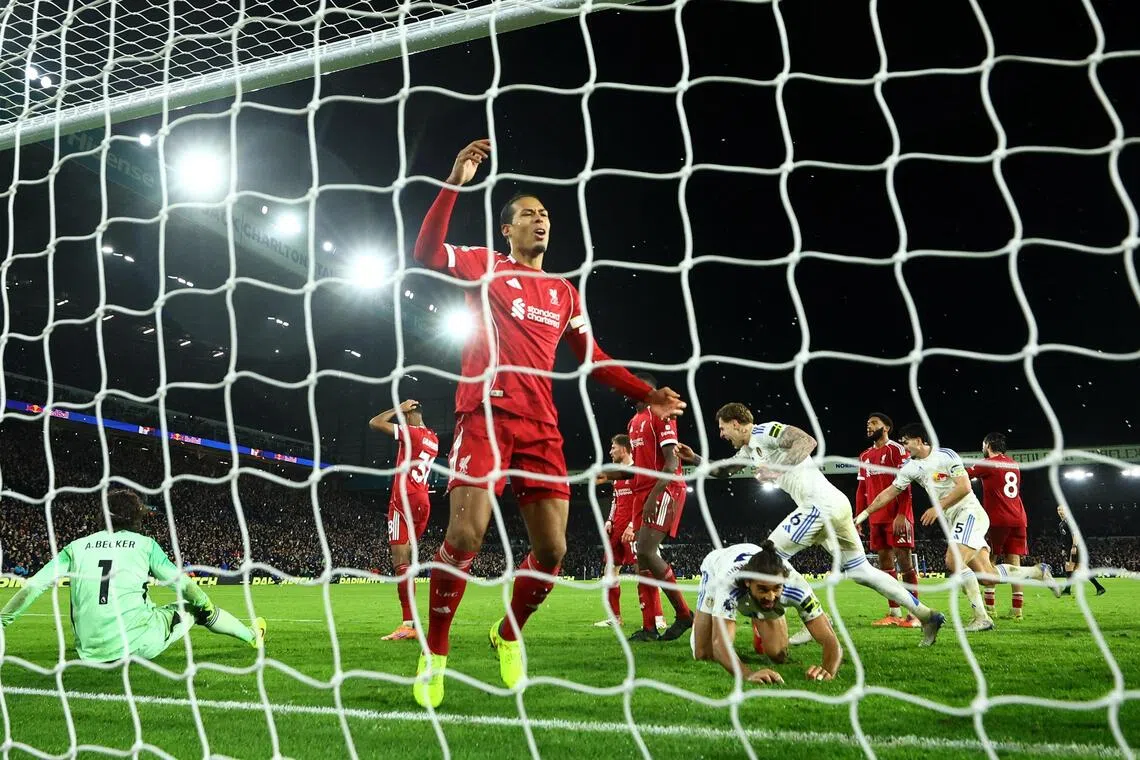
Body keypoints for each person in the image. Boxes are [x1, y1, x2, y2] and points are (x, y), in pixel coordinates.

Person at [410, 138, 686, 708]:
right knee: (465, 535)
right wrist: (454, 182)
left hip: (541, 426)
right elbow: (426, 254)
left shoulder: (564, 291)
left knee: (554, 551)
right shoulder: (486, 265)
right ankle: (435, 654)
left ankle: (508, 633)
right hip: (484, 414)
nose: (540, 223)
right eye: (529, 215)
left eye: (546, 217)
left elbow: (594, 356)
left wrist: (645, 393)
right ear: (507, 229)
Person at [678, 403, 946, 648]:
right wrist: (696, 460)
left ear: (736, 422)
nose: (723, 435)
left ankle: (813, 617)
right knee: (861, 571)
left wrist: (777, 469)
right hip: (832, 505)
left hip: (819, 506)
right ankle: (926, 615)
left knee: (768, 559)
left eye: (723, 428)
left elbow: (806, 441)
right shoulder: (749, 449)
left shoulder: (765, 431)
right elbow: (725, 470)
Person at [0, 490, 265, 661]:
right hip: (137, 645)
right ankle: (252, 636)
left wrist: (3, 621)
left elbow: (32, 586)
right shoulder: (145, 544)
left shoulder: (76, 547)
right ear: (136, 517)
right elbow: (183, 584)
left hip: (89, 652)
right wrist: (204, 604)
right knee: (192, 607)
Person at [859, 424, 1060, 633]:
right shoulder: (910, 467)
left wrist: (937, 507)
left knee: (953, 560)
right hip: (956, 521)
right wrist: (864, 514)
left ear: (919, 440)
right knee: (986, 576)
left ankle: (981, 617)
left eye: (906, 442)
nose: (904, 447)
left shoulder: (946, 455)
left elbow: (964, 487)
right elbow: (888, 493)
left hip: (970, 513)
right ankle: (1038, 572)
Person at [691, 540, 842, 684]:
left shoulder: (797, 586)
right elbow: (720, 644)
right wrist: (747, 675)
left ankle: (758, 617)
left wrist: (828, 671)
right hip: (715, 568)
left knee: (778, 655)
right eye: (763, 589)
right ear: (748, 582)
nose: (771, 596)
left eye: (777, 588)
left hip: (752, 587)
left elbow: (831, 640)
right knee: (704, 654)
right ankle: (757, 615)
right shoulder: (729, 585)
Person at [626, 372, 693, 642]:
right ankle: (649, 627)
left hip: (664, 488)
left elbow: (669, 463)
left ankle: (684, 614)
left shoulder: (661, 415)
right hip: (641, 491)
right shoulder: (633, 422)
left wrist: (654, 495)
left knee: (645, 549)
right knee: (640, 559)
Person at [369, 399, 440, 641]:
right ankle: (413, 622)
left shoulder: (413, 433)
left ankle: (408, 623)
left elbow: (375, 423)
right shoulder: (434, 438)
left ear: (410, 414)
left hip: (404, 499)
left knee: (400, 561)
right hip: (423, 501)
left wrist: (398, 408)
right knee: (407, 560)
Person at [854, 412, 920, 627]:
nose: (869, 426)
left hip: (897, 516)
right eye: (867, 423)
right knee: (885, 564)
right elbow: (862, 489)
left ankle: (916, 613)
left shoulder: (897, 450)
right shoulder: (864, 456)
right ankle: (894, 612)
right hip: (876, 517)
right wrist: (859, 517)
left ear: (887, 427)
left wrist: (902, 514)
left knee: (904, 562)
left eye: (874, 423)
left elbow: (906, 483)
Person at [592, 434, 664, 629]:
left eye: (613, 447)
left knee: (643, 570)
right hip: (616, 528)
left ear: (623, 449)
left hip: (634, 529)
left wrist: (633, 525)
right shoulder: (617, 476)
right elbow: (616, 501)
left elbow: (643, 501)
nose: (610, 451)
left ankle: (657, 616)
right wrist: (609, 520)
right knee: (610, 572)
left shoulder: (637, 472)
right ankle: (614, 617)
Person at [967, 432, 1030, 619]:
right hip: (1019, 517)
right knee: (1014, 563)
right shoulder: (1013, 464)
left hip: (997, 519)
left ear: (988, 445)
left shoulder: (987, 463)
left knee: (990, 561)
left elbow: (963, 475)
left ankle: (990, 607)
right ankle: (1017, 610)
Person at [1056, 505, 1106, 596]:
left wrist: (1074, 547)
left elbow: (1076, 534)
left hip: (1075, 548)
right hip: (1068, 548)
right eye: (1058, 510)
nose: (1060, 511)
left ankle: (1067, 590)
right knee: (1076, 569)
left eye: (1062, 509)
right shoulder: (1061, 523)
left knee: (1069, 568)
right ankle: (1099, 588)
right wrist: (1063, 548)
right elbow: (1063, 538)